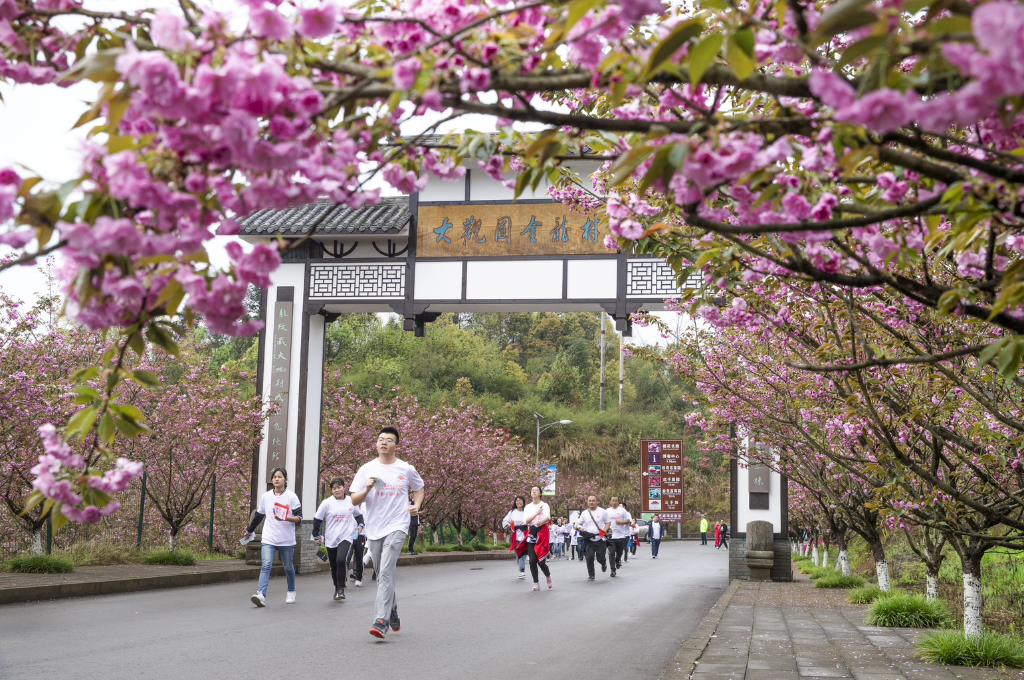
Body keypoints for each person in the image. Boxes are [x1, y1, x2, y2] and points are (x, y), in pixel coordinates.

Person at [350, 426, 425, 640]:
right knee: (383, 571)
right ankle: (392, 608)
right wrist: (366, 490)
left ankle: (380, 620)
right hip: (374, 528)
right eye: (381, 439)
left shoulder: (406, 468)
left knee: (385, 570)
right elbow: (354, 500)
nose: (384, 442)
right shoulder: (366, 469)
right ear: (376, 444)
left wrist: (416, 506)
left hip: (398, 524)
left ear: (396, 445)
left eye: (389, 440)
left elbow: (419, 488)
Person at [245, 467, 302, 607]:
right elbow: (259, 516)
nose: (276, 479)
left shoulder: (291, 497)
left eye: (280, 476)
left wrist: (286, 518)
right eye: (274, 477)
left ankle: (291, 591)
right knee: (266, 565)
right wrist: (249, 530)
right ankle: (261, 595)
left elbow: (299, 518)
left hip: (286, 538)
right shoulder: (266, 497)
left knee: (288, 567)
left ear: (286, 479)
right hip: (269, 537)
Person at [312, 477, 364, 601]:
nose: (337, 490)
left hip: (346, 536)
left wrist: (361, 525)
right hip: (331, 538)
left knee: (341, 560)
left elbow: (359, 516)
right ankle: (337, 588)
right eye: (334, 488)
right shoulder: (327, 503)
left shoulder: (351, 501)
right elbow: (317, 519)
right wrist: (316, 535)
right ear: (332, 490)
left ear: (344, 487)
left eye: (339, 487)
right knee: (334, 565)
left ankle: (341, 588)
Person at [523, 485, 552, 591]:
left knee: (541, 561)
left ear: (540, 493)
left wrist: (542, 520)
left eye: (536, 490)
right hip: (531, 533)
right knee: (532, 561)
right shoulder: (528, 507)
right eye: (532, 490)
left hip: (541, 533)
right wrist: (536, 514)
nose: (534, 492)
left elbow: (547, 516)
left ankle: (548, 576)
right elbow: (526, 520)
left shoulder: (544, 505)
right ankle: (536, 583)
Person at [575, 495, 610, 581]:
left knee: (600, 557)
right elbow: (578, 524)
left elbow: (608, 522)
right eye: (590, 501)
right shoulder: (585, 513)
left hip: (600, 539)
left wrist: (604, 532)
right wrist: (579, 527)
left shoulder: (602, 511)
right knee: (589, 557)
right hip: (589, 540)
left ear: (597, 502)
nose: (591, 502)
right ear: (587, 502)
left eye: (593, 500)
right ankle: (591, 575)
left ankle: (603, 563)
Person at [502, 495, 528, 579]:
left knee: (522, 552)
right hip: (516, 536)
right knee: (517, 554)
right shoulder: (512, 512)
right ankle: (521, 569)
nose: (518, 502)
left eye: (520, 500)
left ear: (523, 502)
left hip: (525, 535)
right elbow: (505, 520)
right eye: (517, 501)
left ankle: (522, 570)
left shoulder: (527, 511)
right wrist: (508, 524)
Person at [606, 497, 631, 574]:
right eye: (613, 501)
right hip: (611, 536)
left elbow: (628, 521)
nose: (614, 502)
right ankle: (612, 570)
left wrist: (621, 523)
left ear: (618, 502)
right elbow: (603, 522)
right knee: (611, 553)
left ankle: (617, 561)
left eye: (616, 501)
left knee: (619, 553)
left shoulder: (622, 511)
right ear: (610, 502)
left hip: (620, 535)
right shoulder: (607, 511)